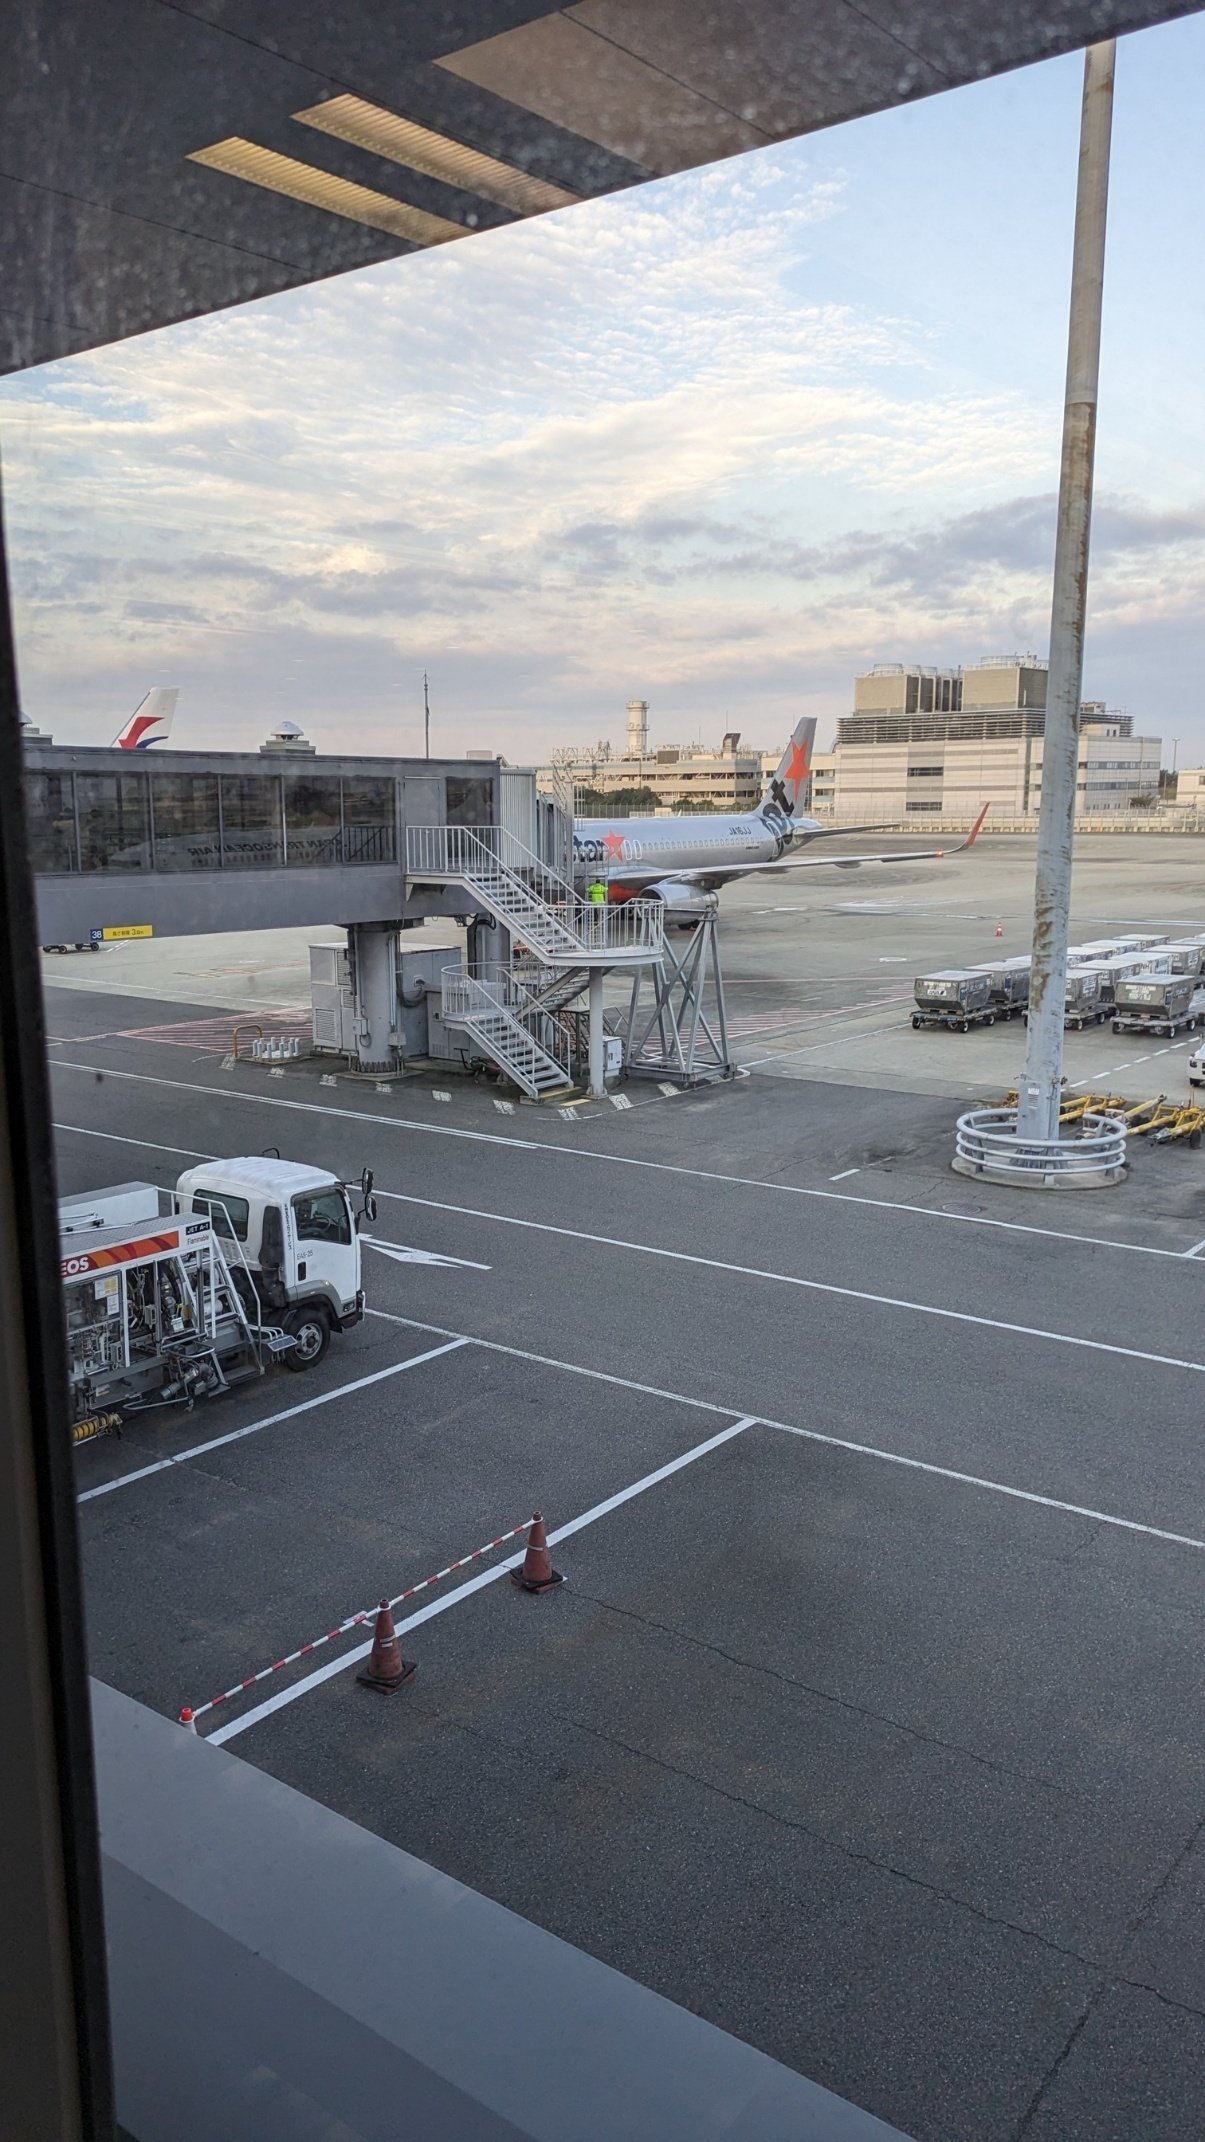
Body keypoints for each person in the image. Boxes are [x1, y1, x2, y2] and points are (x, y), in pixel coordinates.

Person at [587, 876, 606, 945]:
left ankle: (595, 920)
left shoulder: (593, 887)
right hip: (601, 902)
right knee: (600, 912)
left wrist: (587, 888)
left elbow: (588, 890)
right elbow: (606, 889)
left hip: (594, 902)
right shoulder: (601, 887)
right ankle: (600, 920)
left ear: (595, 882)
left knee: (595, 912)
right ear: (600, 882)